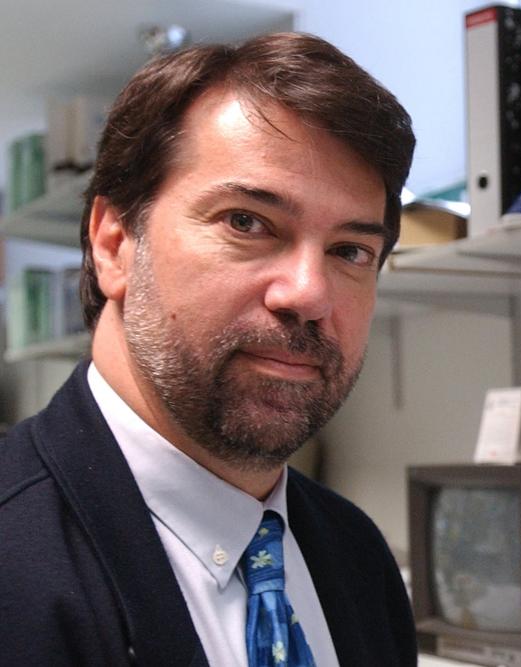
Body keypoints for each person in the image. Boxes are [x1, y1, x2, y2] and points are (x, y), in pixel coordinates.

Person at [0, 32, 416, 666]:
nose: (308, 294)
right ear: (113, 243)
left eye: (350, 251)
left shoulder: (358, 555)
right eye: (246, 221)